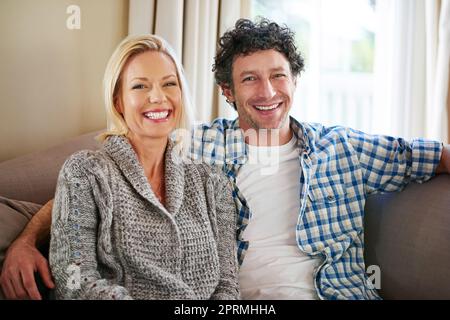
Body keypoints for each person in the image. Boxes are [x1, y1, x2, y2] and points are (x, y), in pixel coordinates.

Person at [1, 18, 449, 300]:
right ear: (227, 93)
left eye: (278, 76)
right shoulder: (197, 149)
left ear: (295, 80)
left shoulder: (346, 148)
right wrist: (23, 243)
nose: (268, 92)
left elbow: (432, 156)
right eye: (250, 79)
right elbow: (85, 193)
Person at [19, 34, 240, 300]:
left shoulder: (212, 183)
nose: (158, 97)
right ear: (118, 102)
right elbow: (74, 282)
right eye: (140, 87)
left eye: (169, 84)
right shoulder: (86, 172)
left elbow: (228, 286)